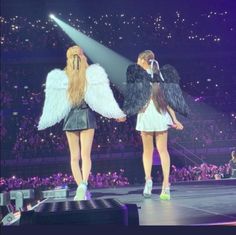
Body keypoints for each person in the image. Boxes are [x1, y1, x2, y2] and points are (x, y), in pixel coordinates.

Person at [38, 45, 126, 201]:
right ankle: (84, 185)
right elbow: (101, 99)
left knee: (74, 157)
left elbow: (56, 102)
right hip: (86, 116)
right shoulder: (89, 75)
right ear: (82, 56)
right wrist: (115, 114)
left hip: (70, 118)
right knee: (86, 156)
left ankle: (81, 188)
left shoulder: (62, 77)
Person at [123, 50, 189, 200]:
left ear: (142, 60)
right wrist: (174, 119)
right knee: (162, 151)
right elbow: (168, 102)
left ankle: (149, 181)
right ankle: (165, 185)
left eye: (138, 60)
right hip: (159, 115)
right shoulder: (160, 77)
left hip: (146, 115)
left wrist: (124, 113)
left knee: (148, 151)